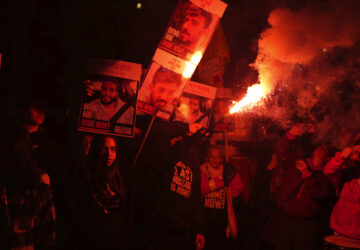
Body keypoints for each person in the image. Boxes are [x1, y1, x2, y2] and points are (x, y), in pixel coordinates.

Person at [0, 98, 56, 249]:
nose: (40, 112)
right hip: (20, 202)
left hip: (42, 201)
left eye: (43, 108)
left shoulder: (47, 140)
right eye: (36, 107)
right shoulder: (12, 139)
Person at [274, 123, 335, 250]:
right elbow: (281, 153)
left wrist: (307, 175)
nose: (319, 150)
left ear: (328, 158)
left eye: (323, 150)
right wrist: (290, 135)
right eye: (319, 147)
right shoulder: (298, 163)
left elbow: (320, 194)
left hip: (307, 222)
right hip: (287, 216)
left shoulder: (326, 175)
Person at [71, 135, 131, 249]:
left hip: (117, 238)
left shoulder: (124, 177)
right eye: (104, 149)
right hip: (95, 238)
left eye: (113, 149)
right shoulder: (90, 176)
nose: (109, 154)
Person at [200, 147, 243, 250]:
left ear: (221, 159)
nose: (215, 160)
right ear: (207, 158)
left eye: (218, 157)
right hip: (204, 224)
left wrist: (233, 175)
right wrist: (221, 183)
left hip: (222, 224)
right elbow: (200, 189)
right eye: (212, 157)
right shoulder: (200, 172)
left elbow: (238, 189)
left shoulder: (227, 173)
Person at [323, 144, 360, 240]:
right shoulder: (345, 174)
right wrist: (341, 157)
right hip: (340, 230)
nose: (358, 155)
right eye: (355, 152)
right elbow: (328, 171)